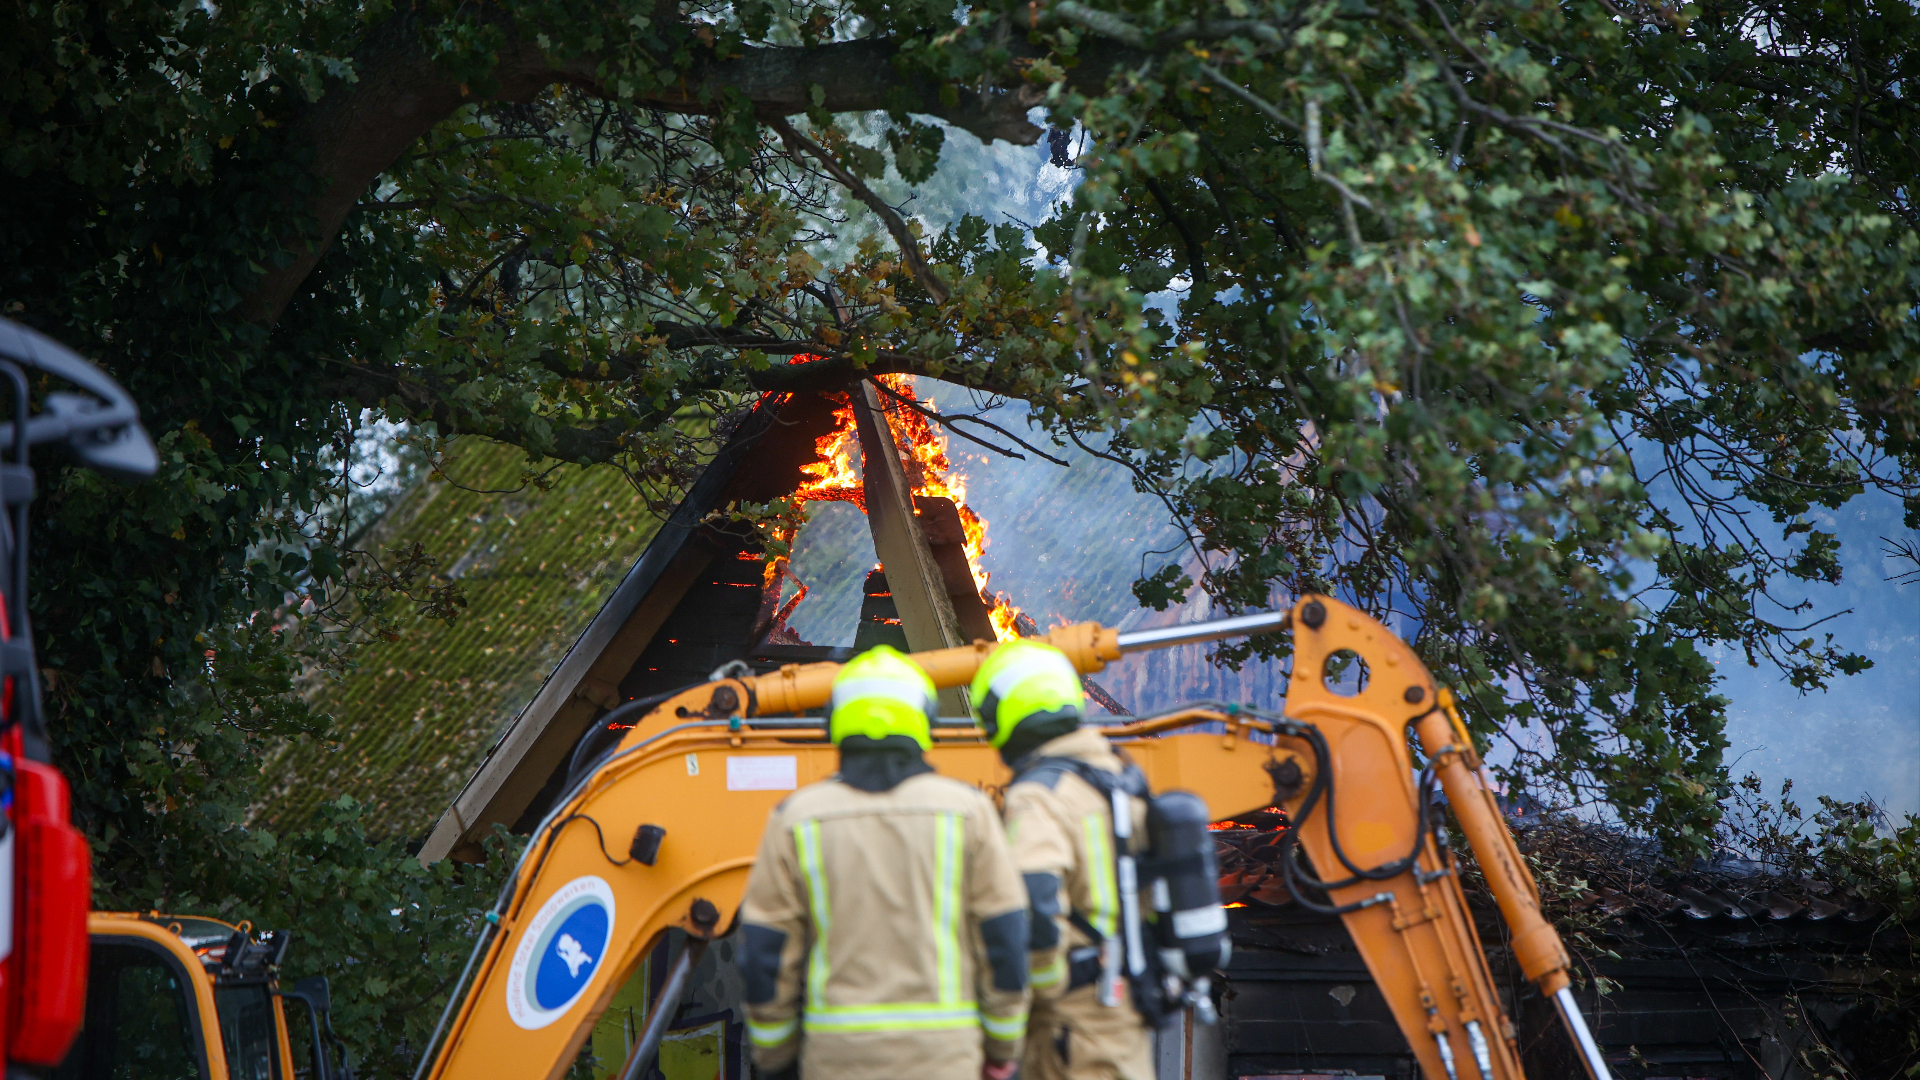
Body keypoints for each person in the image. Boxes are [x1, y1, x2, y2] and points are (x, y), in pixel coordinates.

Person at [739, 645, 1031, 1080]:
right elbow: (1004, 940)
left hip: (837, 1061)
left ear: (834, 722)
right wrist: (1000, 1049)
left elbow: (765, 955)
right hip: (946, 1061)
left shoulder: (796, 820)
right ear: (925, 720)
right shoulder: (968, 812)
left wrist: (776, 1059)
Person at [973, 640, 1155, 1080]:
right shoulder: (1119, 779)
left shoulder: (1039, 795)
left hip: (1069, 1026)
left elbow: (1034, 906)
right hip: (1124, 1008)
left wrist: (1037, 993)